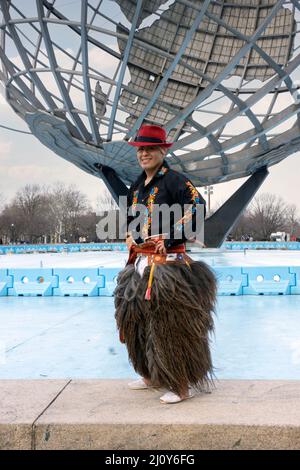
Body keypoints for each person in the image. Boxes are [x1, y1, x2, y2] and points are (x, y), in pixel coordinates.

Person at [114, 124, 217, 404]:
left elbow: (198, 208)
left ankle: (182, 382)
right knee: (137, 323)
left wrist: (170, 238)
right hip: (140, 264)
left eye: (150, 149)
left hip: (168, 266)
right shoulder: (137, 184)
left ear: (162, 151)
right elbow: (134, 217)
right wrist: (131, 235)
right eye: (140, 149)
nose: (144, 154)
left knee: (171, 325)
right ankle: (150, 373)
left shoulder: (175, 180)